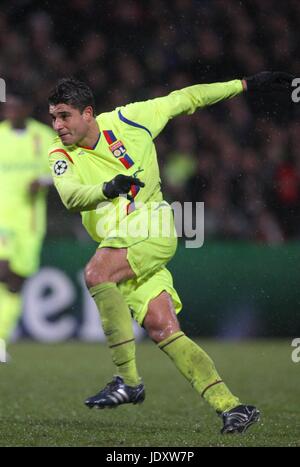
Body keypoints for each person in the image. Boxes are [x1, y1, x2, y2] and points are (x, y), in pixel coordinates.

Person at [48, 72, 293, 434]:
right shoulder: (59, 155)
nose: (57, 125)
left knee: (97, 275)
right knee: (163, 329)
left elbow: (186, 98)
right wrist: (108, 187)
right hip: (121, 246)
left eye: (64, 115)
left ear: (88, 113)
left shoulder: (131, 118)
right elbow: (70, 197)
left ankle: (128, 381)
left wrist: (244, 85)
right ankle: (232, 407)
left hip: (153, 226)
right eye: (53, 117)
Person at [0, 93, 54, 345]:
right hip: (2, 218)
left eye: (15, 106)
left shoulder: (42, 136)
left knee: (16, 282)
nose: (10, 111)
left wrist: (42, 181)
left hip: (30, 221)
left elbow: (62, 172)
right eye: (7, 106)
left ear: (26, 108)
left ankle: (0, 339)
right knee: (3, 270)